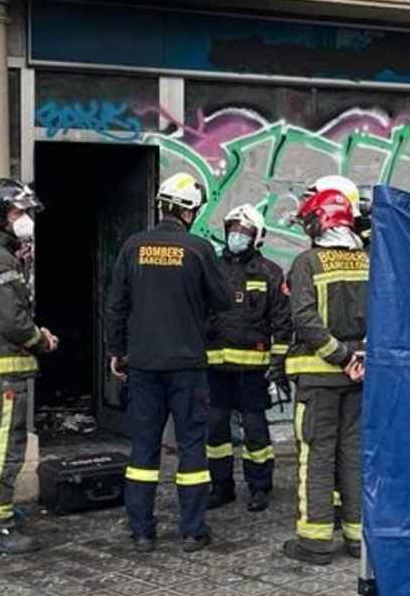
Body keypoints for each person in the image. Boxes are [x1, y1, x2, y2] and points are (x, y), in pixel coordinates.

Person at [106, 172, 231, 553]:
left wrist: (117, 351)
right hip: (187, 366)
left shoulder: (132, 246)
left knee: (143, 449)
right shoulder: (198, 249)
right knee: (192, 446)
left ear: (162, 206)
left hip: (143, 364)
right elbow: (224, 299)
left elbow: (116, 306)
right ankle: (192, 531)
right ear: (190, 211)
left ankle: (142, 531)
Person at [0, 178, 58, 555]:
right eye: (20, 212)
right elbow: (12, 321)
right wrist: (42, 340)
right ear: (2, 216)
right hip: (2, 370)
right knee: (5, 447)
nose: (27, 219)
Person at [281, 185, 369, 565]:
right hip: (360, 378)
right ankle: (356, 538)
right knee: (353, 455)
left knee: (317, 456)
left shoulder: (307, 263)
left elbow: (303, 319)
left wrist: (340, 355)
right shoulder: (368, 260)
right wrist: (359, 358)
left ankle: (315, 542)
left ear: (322, 221)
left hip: (319, 379)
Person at [205, 204, 291, 513]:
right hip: (215, 368)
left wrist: (278, 368)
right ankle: (221, 486)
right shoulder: (212, 268)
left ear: (257, 238)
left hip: (254, 372)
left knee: (256, 432)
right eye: (233, 231)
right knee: (215, 432)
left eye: (244, 232)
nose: (236, 237)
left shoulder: (270, 272)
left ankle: (259, 487)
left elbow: (282, 323)